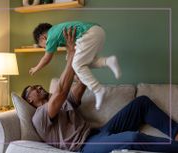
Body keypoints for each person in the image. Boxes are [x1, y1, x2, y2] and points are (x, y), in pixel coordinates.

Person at [22, 27, 178, 153]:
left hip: (97, 133)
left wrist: (80, 60)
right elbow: (61, 91)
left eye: (36, 85)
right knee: (132, 138)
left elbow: (81, 86)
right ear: (30, 100)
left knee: (141, 103)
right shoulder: (39, 116)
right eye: (33, 89)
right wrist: (71, 54)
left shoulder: (63, 103)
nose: (37, 87)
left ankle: (176, 133)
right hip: (84, 146)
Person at [29, 21, 121, 110]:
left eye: (43, 46)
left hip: (89, 34)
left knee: (76, 64)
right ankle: (108, 61)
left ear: (42, 38)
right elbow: (70, 53)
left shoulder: (51, 37)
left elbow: (46, 58)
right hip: (98, 32)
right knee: (84, 62)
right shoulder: (57, 32)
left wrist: (35, 68)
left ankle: (97, 89)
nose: (46, 48)